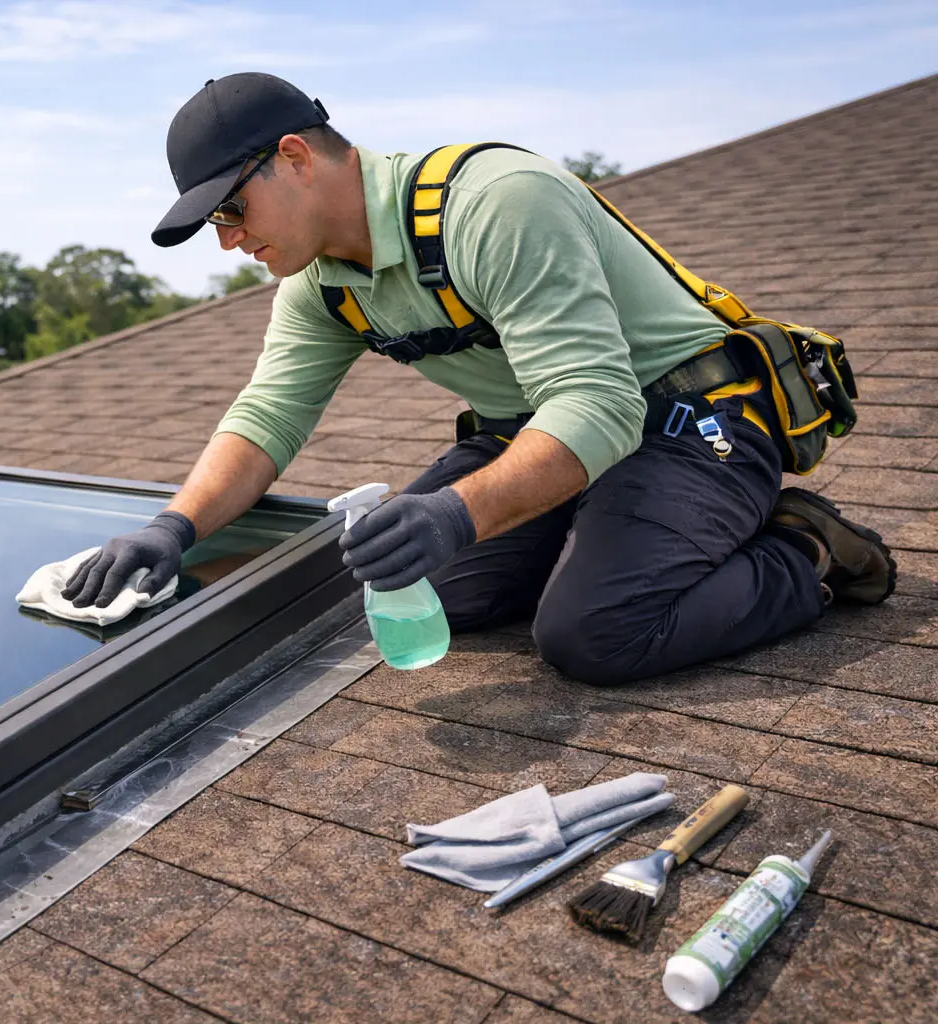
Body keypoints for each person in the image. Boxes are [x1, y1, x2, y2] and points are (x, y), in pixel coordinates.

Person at [63, 72, 895, 685]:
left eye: (231, 211)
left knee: (591, 635)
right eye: (213, 223)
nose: (228, 241)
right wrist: (172, 530)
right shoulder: (318, 286)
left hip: (687, 422)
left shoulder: (494, 203)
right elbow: (266, 418)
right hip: (542, 440)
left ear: (294, 158)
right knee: (417, 592)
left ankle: (799, 549)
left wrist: (462, 514)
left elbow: (600, 406)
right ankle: (614, 536)